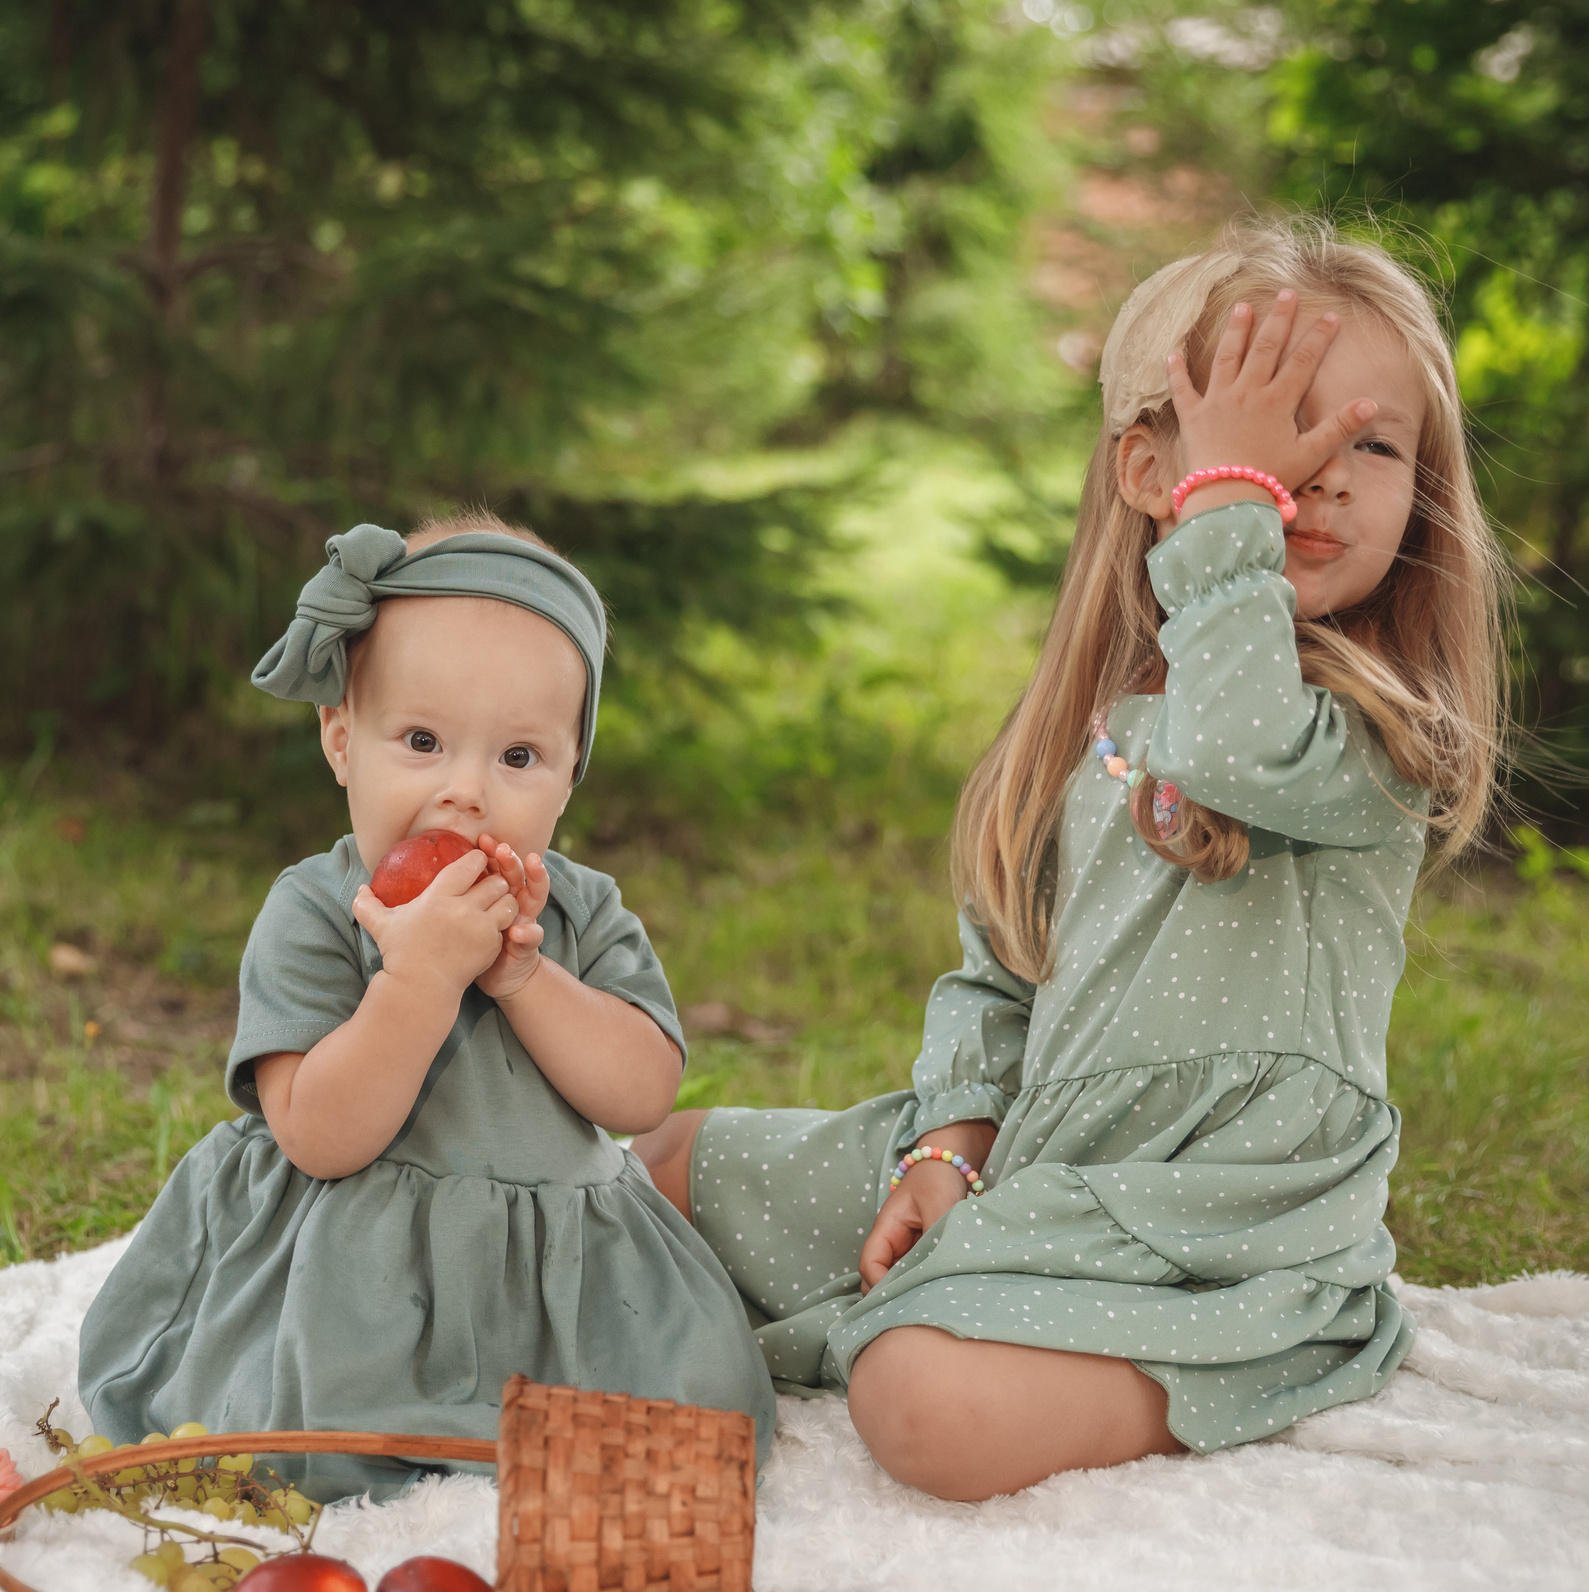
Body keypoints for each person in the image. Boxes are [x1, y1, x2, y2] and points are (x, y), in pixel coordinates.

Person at [633, 216, 1509, 1501]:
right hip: (1044, 1155)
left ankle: (1253, 1355)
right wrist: (945, 1151)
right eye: (1273, 430)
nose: (1320, 472)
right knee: (662, 1164)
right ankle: (918, 1286)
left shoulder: (1378, 733)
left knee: (918, 1403)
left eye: (1371, 444)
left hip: (1217, 1223)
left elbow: (1230, 742)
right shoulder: (1097, 727)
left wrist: (1232, 501)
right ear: (1148, 469)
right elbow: (1001, 977)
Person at [78, 509, 775, 1499]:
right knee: (314, 1421)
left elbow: (640, 1094)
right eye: (421, 741)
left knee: (692, 1411)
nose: (466, 793)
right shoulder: (319, 911)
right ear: (340, 741)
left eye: (518, 758)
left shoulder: (579, 912)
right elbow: (319, 1135)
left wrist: (524, 978)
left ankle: (538, 1428)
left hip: (552, 1277)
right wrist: (418, 980)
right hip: (360, 1272)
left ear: (570, 776)